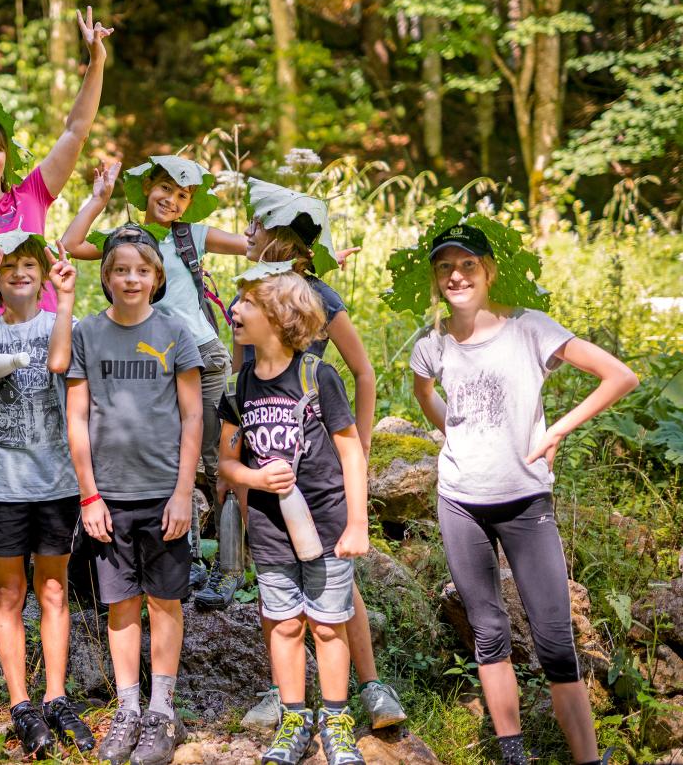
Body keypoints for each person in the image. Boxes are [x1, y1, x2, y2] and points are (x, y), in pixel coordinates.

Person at [406, 220, 636, 765]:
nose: (456, 275)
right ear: (437, 280)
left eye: (467, 265)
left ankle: (588, 761)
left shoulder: (530, 328)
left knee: (555, 639)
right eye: (445, 268)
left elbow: (619, 376)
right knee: (488, 634)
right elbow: (425, 395)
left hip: (526, 501)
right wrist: (453, 435)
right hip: (461, 502)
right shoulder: (431, 346)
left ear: (488, 271)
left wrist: (556, 430)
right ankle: (513, 754)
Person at [235, 180, 405, 730]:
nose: (246, 233)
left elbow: (363, 371)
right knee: (276, 582)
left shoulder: (317, 297)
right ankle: (281, 691)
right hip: (266, 454)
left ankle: (370, 685)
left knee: (336, 582)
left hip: (318, 454)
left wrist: (359, 441)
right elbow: (245, 380)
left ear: (275, 238)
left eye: (255, 226)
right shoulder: (250, 300)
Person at [60, 157, 247, 605]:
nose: (172, 200)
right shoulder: (126, 242)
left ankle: (230, 568)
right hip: (147, 356)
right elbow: (70, 243)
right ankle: (189, 559)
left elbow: (251, 247)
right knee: (169, 456)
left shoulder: (192, 236)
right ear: (147, 188)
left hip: (199, 354)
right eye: (165, 188)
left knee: (216, 462)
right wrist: (99, 198)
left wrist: (305, 254)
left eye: (183, 195)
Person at [218, 263, 370, 765]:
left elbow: (351, 452)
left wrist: (357, 523)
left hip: (326, 524)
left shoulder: (317, 375)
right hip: (269, 529)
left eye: (246, 304)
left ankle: (337, 719)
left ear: (279, 318)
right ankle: (294, 719)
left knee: (328, 625)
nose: (234, 311)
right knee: (284, 624)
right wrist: (254, 479)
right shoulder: (238, 387)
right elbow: (225, 462)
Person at [67, 225, 203, 765]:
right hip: (110, 496)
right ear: (106, 276)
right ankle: (127, 708)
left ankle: (162, 710)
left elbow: (193, 415)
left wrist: (184, 491)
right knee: (120, 602)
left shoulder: (176, 331)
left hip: (163, 490)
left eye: (141, 270)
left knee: (165, 600)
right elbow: (77, 416)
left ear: (157, 278)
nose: (131, 278)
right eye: (121, 269)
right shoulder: (87, 333)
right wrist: (89, 496)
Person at [0, 232, 94, 758]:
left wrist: (64, 302)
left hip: (57, 480)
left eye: (28, 265)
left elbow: (60, 361)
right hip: (3, 482)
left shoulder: (63, 324)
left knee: (55, 590)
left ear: (42, 275)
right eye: (9, 265)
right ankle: (22, 704)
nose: (18, 272)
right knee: (8, 593)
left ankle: (56, 696)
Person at [0, 6, 113, 316]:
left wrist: (97, 62)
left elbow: (75, 131)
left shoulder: (31, 195)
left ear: (6, 159)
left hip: (45, 343)